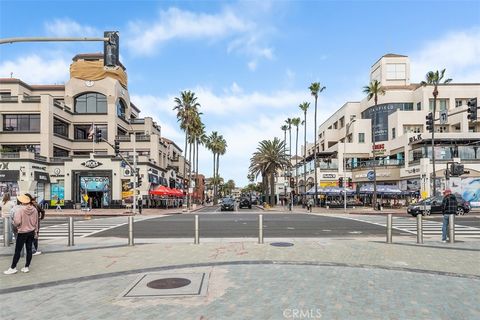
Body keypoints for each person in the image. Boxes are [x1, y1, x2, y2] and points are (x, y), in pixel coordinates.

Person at [4, 194, 39, 274]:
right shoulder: (34, 209)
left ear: (22, 201)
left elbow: (17, 222)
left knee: (18, 250)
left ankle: (13, 267)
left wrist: (14, 224)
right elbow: (36, 222)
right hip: (31, 231)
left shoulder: (20, 210)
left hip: (22, 232)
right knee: (29, 249)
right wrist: (36, 231)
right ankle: (26, 267)